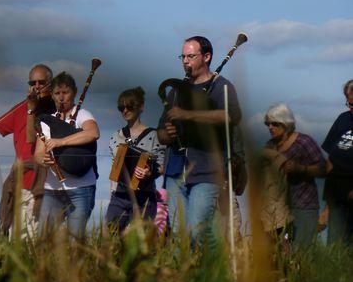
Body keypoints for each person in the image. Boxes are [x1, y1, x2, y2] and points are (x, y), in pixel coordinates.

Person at [157, 36, 242, 247]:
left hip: (207, 170)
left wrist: (188, 115)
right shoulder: (177, 91)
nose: (185, 61)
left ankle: (214, 271)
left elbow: (231, 116)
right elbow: (160, 134)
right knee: (179, 234)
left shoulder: (221, 86)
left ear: (206, 57)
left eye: (191, 56)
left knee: (197, 229)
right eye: (183, 56)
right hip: (176, 170)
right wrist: (169, 132)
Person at [0, 64, 53, 239]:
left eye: (41, 82)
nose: (37, 86)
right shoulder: (21, 108)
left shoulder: (56, 108)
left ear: (50, 83)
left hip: (49, 183)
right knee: (18, 236)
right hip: (22, 182)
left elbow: (31, 137)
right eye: (32, 82)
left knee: (41, 237)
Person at [34, 72, 99, 239]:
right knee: (44, 240)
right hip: (53, 189)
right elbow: (38, 154)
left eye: (65, 92)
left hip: (81, 188)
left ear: (74, 93)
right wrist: (44, 160)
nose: (61, 98)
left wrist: (59, 142)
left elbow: (93, 133)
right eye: (57, 93)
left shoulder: (83, 115)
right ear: (52, 96)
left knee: (74, 241)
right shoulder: (46, 121)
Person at [263, 103, 324, 248]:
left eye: (275, 123)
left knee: (302, 250)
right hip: (280, 207)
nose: (270, 127)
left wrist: (300, 168)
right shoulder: (270, 146)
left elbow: (323, 169)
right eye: (268, 124)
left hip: (304, 204)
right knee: (281, 250)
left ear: (286, 124)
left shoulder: (303, 142)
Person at [106, 87, 165, 232]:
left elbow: (162, 166)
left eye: (130, 106)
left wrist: (148, 172)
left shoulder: (154, 135)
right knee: (109, 235)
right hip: (119, 196)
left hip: (144, 196)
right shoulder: (115, 137)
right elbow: (115, 169)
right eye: (121, 107)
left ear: (141, 107)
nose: (125, 110)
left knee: (140, 240)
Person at [322, 79, 353, 245]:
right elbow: (330, 161)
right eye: (349, 103)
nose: (350, 108)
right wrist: (327, 206)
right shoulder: (343, 119)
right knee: (335, 249)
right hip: (338, 198)